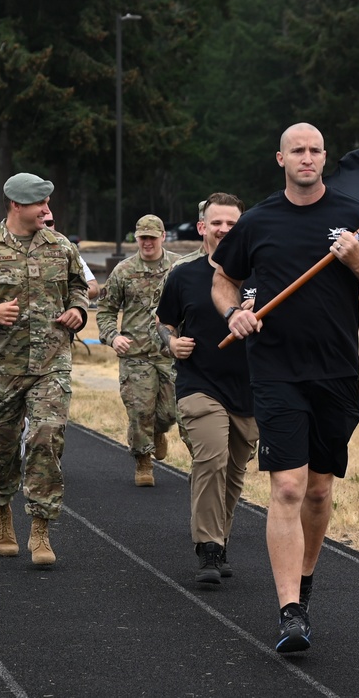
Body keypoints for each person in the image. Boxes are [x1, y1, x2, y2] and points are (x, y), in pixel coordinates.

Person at [212, 122, 359, 653]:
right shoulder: (258, 220)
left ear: (324, 158)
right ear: (280, 159)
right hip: (275, 371)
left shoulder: (354, 221)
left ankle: (307, 578)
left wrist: (357, 258)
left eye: (316, 150)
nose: (307, 158)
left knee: (319, 488)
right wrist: (232, 315)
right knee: (288, 486)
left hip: (336, 373)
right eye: (297, 150)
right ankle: (290, 610)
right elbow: (222, 278)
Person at [0, 173, 89, 566]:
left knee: (46, 437)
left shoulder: (61, 247)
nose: (46, 209)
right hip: (0, 367)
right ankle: (2, 508)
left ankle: (40, 527)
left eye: (47, 202)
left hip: (51, 363)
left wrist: (78, 310)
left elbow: (79, 287)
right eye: (39, 203)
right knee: (3, 448)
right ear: (16, 206)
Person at [156, 192, 257, 586]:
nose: (224, 229)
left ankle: (221, 537)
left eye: (232, 223)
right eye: (217, 222)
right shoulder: (184, 275)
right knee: (210, 459)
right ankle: (209, 547)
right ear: (202, 228)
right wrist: (171, 342)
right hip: (199, 384)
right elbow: (165, 321)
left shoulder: (260, 275)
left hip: (249, 388)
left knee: (233, 472)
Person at [96, 214, 180, 487]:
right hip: (136, 355)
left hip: (169, 353)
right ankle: (143, 461)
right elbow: (106, 311)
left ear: (163, 237)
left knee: (170, 412)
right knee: (139, 410)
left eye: (152, 238)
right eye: (142, 237)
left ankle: (159, 432)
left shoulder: (178, 267)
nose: (146, 243)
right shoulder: (123, 271)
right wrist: (113, 336)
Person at [43, 211, 99, 300]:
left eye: (49, 223)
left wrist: (68, 296)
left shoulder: (67, 249)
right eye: (41, 223)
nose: (45, 227)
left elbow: (94, 287)